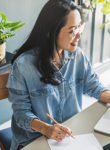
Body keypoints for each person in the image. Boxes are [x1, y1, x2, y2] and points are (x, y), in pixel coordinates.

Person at [7, 0, 110, 150]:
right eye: (72, 31)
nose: (79, 35)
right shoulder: (23, 66)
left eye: (80, 27)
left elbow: (93, 85)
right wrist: (46, 129)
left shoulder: (77, 56)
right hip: (34, 139)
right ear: (50, 32)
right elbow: (21, 114)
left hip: (71, 134)